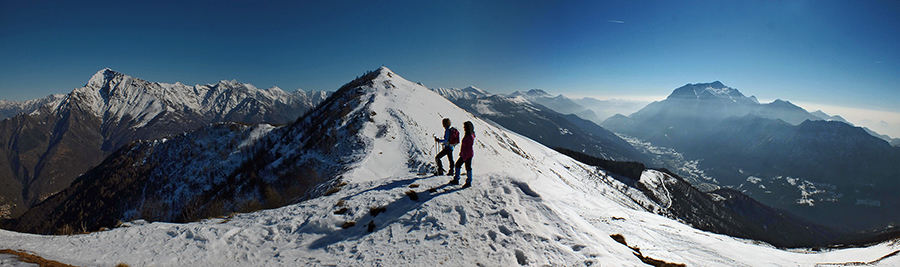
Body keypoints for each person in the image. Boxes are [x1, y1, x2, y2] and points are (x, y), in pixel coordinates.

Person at [451, 121, 475, 188]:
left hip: (467, 155)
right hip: (466, 155)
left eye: (465, 127)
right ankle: (467, 181)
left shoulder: (469, 137)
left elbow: (468, 148)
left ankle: (465, 181)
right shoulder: (469, 135)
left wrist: (464, 156)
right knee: (464, 167)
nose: (463, 128)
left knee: (465, 167)